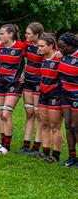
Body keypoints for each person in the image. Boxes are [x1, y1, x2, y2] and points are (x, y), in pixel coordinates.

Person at [0, 24, 26, 155]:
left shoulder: (21, 46)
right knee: (1, 114)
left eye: (2, 34)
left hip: (15, 83)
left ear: (10, 34)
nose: (0, 36)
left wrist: (24, 73)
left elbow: (36, 56)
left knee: (6, 114)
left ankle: (7, 146)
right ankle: (2, 142)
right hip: (0, 82)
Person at [35, 35, 63, 162]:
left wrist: (61, 54)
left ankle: (56, 155)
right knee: (44, 123)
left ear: (51, 46)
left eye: (42, 46)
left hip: (55, 94)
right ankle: (45, 151)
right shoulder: (43, 58)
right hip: (43, 93)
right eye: (38, 46)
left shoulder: (59, 58)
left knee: (55, 125)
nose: (39, 48)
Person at [20, 22, 44, 154]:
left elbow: (54, 56)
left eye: (29, 33)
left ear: (37, 35)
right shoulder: (27, 44)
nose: (26, 35)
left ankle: (36, 146)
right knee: (29, 113)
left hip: (39, 82)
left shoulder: (44, 44)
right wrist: (23, 72)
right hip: (28, 80)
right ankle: (26, 144)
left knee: (38, 114)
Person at [57, 33, 78, 167]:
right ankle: (71, 157)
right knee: (68, 126)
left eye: (63, 47)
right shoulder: (63, 57)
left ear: (71, 46)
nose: (60, 50)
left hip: (76, 95)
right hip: (65, 95)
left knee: (76, 127)